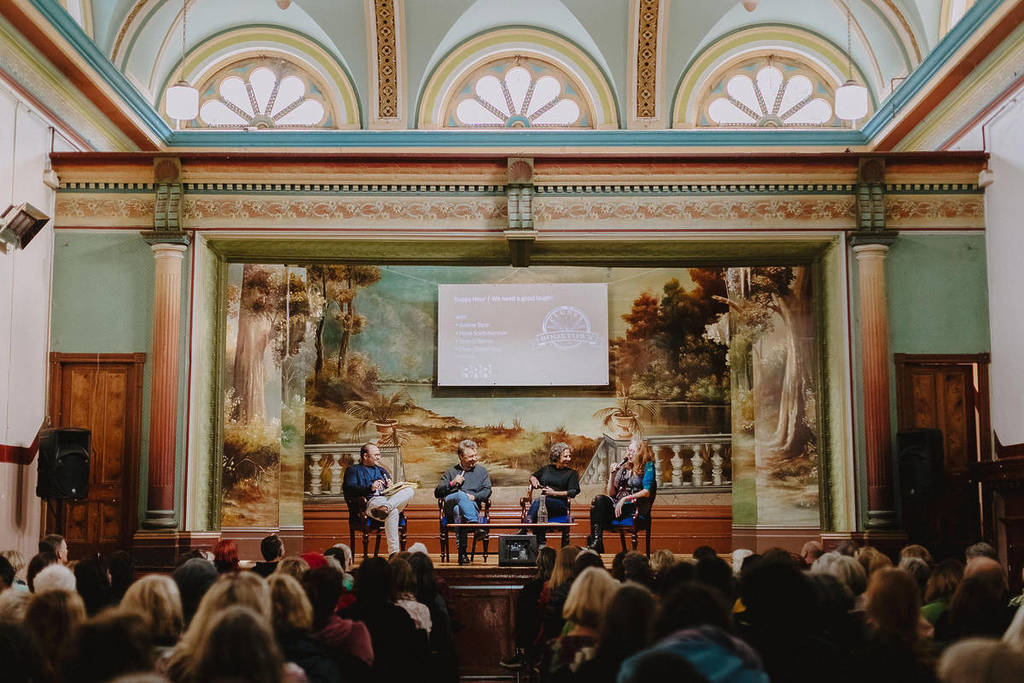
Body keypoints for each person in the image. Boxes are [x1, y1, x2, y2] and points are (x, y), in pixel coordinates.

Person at [343, 442, 415, 556]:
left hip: (386, 500)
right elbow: (350, 488)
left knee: (409, 490)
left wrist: (390, 487)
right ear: (365, 456)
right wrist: (370, 487)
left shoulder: (382, 470)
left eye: (379, 455)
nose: (379, 457)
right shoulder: (353, 470)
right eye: (376, 455)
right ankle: (394, 553)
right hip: (371, 502)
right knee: (394, 511)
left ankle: (385, 508)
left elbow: (389, 491)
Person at [587, 438, 656, 554]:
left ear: (640, 452)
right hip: (618, 508)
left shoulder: (648, 467)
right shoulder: (624, 468)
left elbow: (647, 492)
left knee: (597, 512)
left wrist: (624, 499)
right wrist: (612, 475)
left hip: (635, 509)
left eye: (632, 451)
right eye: (628, 450)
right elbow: (611, 494)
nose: (628, 453)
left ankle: (596, 544)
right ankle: (597, 542)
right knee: (598, 501)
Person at [434, 439, 492, 563]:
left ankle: (462, 553)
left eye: (475, 455)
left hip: (470, 507)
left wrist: (474, 497)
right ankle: (475, 525)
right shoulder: (451, 472)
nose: (474, 459)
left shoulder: (482, 472)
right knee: (460, 495)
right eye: (470, 456)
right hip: (450, 505)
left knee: (459, 509)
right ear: (461, 456)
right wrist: (452, 483)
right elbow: (437, 493)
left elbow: (487, 491)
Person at [524, 442, 580, 544]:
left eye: (569, 456)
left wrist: (553, 493)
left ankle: (525, 529)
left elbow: (573, 492)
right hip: (543, 506)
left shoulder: (572, 473)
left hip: (560, 506)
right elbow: (533, 476)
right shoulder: (546, 469)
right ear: (557, 456)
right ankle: (540, 543)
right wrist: (533, 480)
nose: (569, 459)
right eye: (565, 456)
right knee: (540, 506)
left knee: (540, 501)